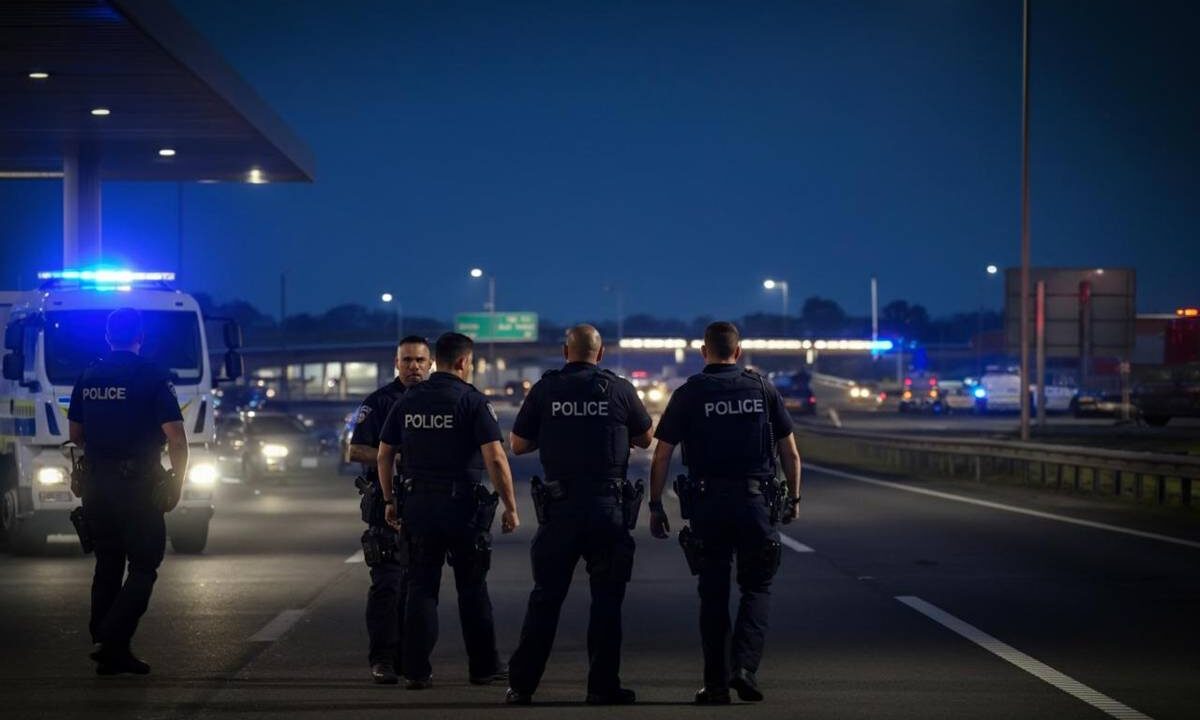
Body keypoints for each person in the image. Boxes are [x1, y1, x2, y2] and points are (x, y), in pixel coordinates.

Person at [647, 321, 802, 704]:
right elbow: (790, 452)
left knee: (712, 594)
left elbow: (662, 452)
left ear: (704, 352)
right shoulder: (762, 388)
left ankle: (715, 685)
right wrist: (793, 500)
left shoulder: (689, 393)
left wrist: (655, 505)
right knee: (757, 587)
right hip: (756, 503)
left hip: (708, 505)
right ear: (738, 351)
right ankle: (745, 669)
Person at [504, 324, 653, 706]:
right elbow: (645, 438)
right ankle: (602, 687)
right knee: (607, 602)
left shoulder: (546, 389)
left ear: (565, 351)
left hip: (560, 510)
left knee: (545, 599)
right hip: (608, 510)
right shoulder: (618, 389)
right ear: (600, 354)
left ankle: (521, 686)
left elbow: (518, 445)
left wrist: (554, 432)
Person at [377, 332, 519, 689]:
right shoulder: (471, 400)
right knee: (472, 588)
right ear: (463, 362)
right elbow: (496, 458)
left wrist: (390, 500)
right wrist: (510, 506)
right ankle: (483, 667)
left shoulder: (408, 400)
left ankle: (415, 670)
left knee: (421, 588)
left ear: (436, 361)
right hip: (462, 508)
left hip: (418, 506)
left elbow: (384, 453)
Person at [67, 307, 189, 675]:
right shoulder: (152, 377)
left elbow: (75, 436)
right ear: (141, 337)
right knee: (144, 564)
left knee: (107, 564)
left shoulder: (87, 376)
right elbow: (176, 439)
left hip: (97, 486)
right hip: (137, 487)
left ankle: (110, 651)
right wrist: (177, 481)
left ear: (108, 337)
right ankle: (114, 636)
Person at [347, 336, 433, 684]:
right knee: (387, 583)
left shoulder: (438, 400)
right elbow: (356, 452)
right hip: (388, 502)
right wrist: (394, 458)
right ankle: (382, 659)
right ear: (396, 363)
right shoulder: (380, 402)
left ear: (431, 365)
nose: (414, 366)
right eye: (407, 360)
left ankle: (412, 660)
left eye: (420, 360)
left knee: (420, 588)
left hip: (428, 504)